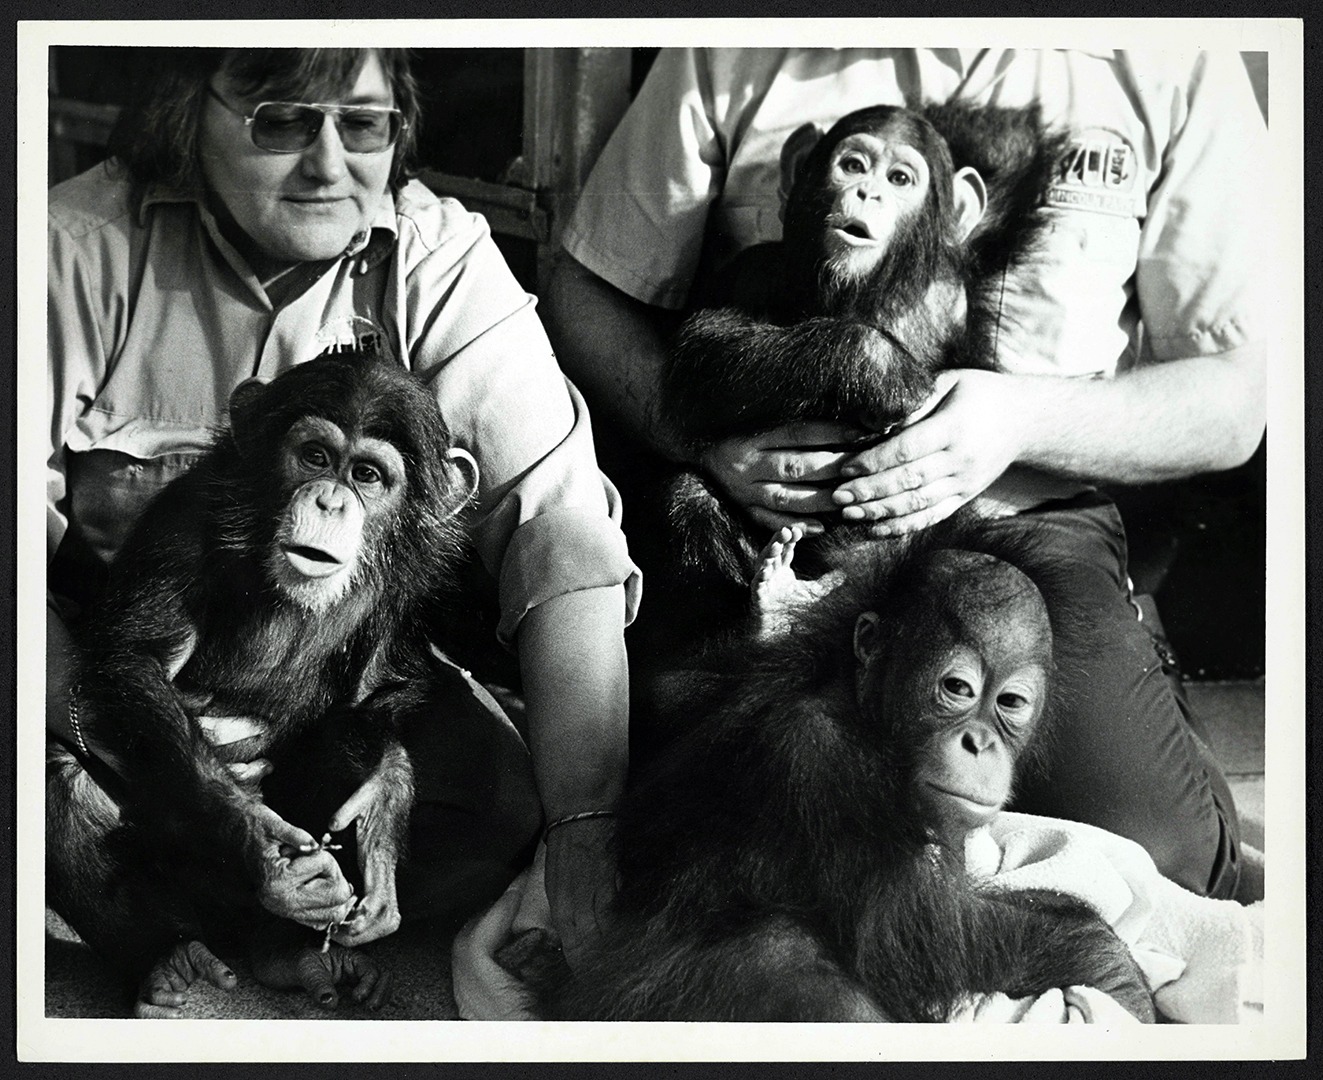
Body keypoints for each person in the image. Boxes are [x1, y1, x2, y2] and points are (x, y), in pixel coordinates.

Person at [545, 47, 1268, 902]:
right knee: (688, 808)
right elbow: (589, 286)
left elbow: (1238, 401)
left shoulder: (1171, 59)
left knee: (1161, 858)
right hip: (765, 516)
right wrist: (706, 445)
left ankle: (1125, 651)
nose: (860, 196)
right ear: (799, 178)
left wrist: (1018, 418)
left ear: (957, 208)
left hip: (1020, 512)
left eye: (893, 178)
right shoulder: (732, 43)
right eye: (848, 169)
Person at [46, 46, 639, 987]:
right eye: (280, 119)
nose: (327, 165)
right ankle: (221, 935)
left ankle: (300, 920)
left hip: (312, 690)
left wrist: (583, 832)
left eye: (360, 125)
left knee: (496, 795)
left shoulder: (441, 257)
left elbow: (560, 536)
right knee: (59, 809)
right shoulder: (68, 247)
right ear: (184, 110)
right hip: (116, 685)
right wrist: (181, 778)